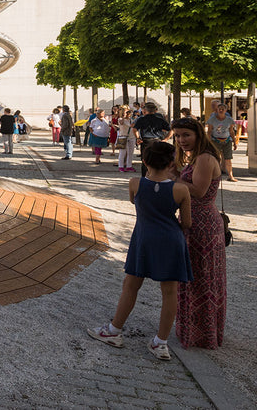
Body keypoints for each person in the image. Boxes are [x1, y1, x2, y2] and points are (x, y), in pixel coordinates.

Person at [88, 141, 192, 361]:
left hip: (144, 237)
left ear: (144, 161)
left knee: (131, 285)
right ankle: (160, 342)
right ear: (171, 163)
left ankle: (114, 330)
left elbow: (134, 201)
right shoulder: (181, 189)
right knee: (170, 291)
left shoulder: (135, 183)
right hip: (171, 239)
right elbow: (187, 222)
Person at [171, 117, 227, 349]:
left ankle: (202, 335)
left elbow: (199, 191)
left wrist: (172, 177)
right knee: (193, 279)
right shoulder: (196, 156)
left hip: (203, 225)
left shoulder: (204, 158)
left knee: (201, 280)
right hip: (195, 222)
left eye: (186, 135)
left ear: (198, 135)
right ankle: (194, 331)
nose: (181, 140)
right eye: (177, 135)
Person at [133, 102, 171, 177]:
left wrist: (138, 138)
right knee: (158, 160)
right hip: (158, 141)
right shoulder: (160, 119)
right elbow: (171, 129)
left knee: (145, 160)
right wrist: (166, 139)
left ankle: (145, 178)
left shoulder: (142, 119)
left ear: (145, 110)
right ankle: (158, 176)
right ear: (155, 110)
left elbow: (134, 129)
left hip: (146, 141)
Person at [205, 101, 239, 182]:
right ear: (217, 110)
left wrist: (234, 142)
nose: (221, 110)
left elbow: (231, 131)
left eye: (223, 109)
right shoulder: (212, 119)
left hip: (227, 141)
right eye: (219, 109)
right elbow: (209, 131)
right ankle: (214, 176)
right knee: (215, 158)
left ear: (226, 110)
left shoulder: (229, 120)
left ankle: (230, 176)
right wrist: (208, 142)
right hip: (215, 140)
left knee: (228, 159)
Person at [116, 106, 136, 172]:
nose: (127, 113)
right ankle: (121, 166)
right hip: (123, 136)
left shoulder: (131, 119)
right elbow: (122, 123)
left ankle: (129, 165)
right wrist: (124, 116)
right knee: (122, 152)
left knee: (130, 152)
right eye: (126, 112)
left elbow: (134, 126)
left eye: (128, 112)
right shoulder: (120, 119)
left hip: (131, 137)